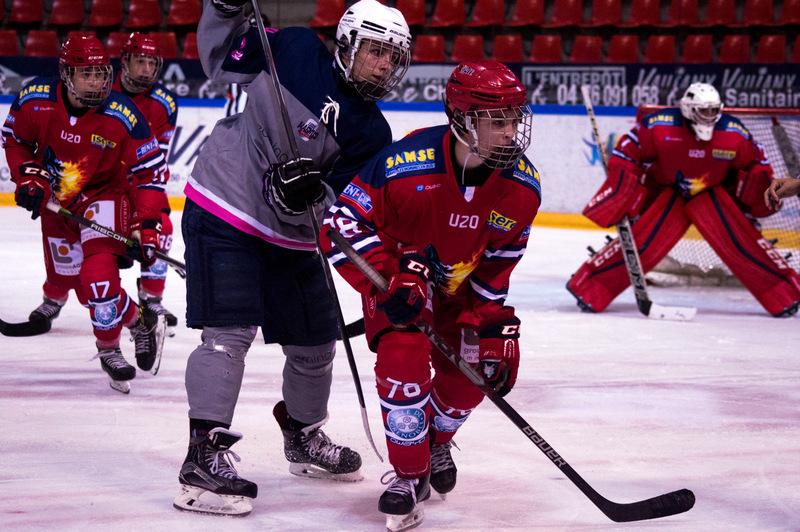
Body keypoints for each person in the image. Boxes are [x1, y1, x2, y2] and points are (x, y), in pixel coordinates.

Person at [173, 0, 412, 517]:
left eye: (394, 58)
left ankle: (302, 436)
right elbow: (219, 58)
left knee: (314, 344)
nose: (384, 65)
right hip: (226, 205)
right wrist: (223, 9)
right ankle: (202, 456)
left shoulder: (373, 134)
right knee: (228, 336)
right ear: (348, 44)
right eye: (375, 51)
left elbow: (343, 204)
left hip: (292, 235)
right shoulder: (296, 47)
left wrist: (311, 192)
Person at [319, 60, 539, 530]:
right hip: (400, 282)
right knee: (403, 354)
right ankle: (407, 472)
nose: (510, 132)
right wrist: (387, 276)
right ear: (462, 118)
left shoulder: (522, 188)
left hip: (460, 291)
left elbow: (500, 263)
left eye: (514, 119)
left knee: (478, 369)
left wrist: (488, 319)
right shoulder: (402, 162)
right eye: (497, 121)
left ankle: (434, 442)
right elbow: (338, 225)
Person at [2, 35, 169, 393]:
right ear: (66, 74)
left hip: (104, 196)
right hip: (57, 201)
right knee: (85, 291)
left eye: (100, 73)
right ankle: (139, 321)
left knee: (99, 276)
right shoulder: (36, 100)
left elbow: (151, 172)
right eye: (86, 74)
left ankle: (108, 348)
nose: (96, 81)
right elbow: (14, 139)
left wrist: (148, 226)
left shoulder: (123, 113)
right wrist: (29, 176)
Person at [566, 82, 800, 317]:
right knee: (642, 246)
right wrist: (623, 193)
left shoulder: (734, 132)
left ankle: (785, 293)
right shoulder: (659, 125)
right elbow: (627, 154)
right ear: (688, 109)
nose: (710, 116)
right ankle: (591, 287)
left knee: (743, 244)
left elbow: (757, 165)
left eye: (713, 110)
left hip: (712, 195)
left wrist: (756, 199)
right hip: (670, 194)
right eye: (703, 110)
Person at [114, 32, 180, 336]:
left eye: (152, 63)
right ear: (125, 61)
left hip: (140, 181)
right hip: (104, 181)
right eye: (140, 61)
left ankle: (151, 298)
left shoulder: (164, 103)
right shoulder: (103, 89)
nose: (146, 70)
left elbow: (157, 162)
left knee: (162, 228)